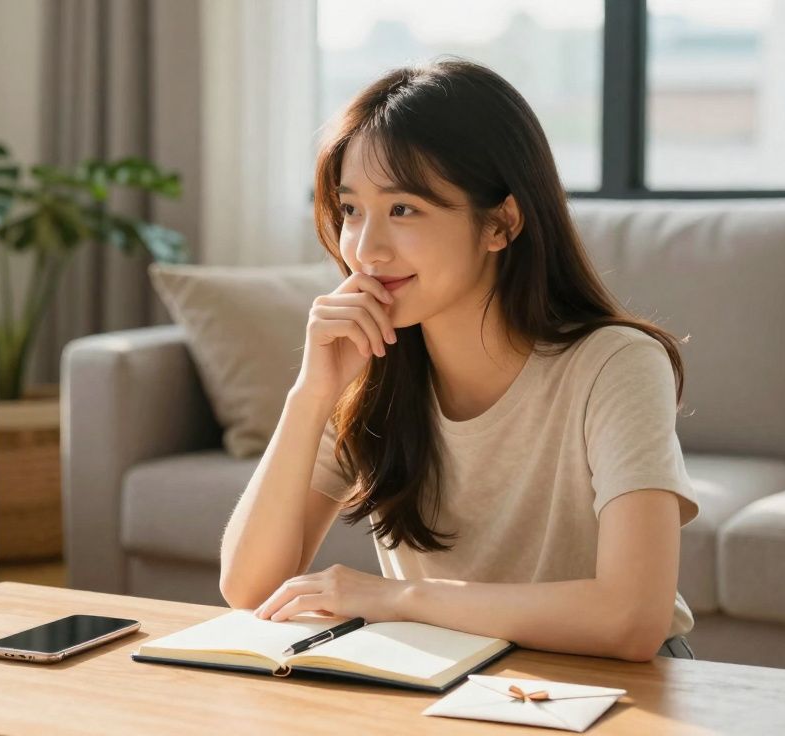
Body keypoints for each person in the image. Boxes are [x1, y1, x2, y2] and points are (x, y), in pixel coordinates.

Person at [218, 57, 700, 662]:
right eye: (350, 210)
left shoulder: (615, 364)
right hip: (451, 678)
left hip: (614, 690)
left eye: (403, 209)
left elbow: (632, 618)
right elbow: (248, 588)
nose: (365, 250)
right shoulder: (374, 369)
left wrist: (400, 598)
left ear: (500, 223)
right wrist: (310, 394)